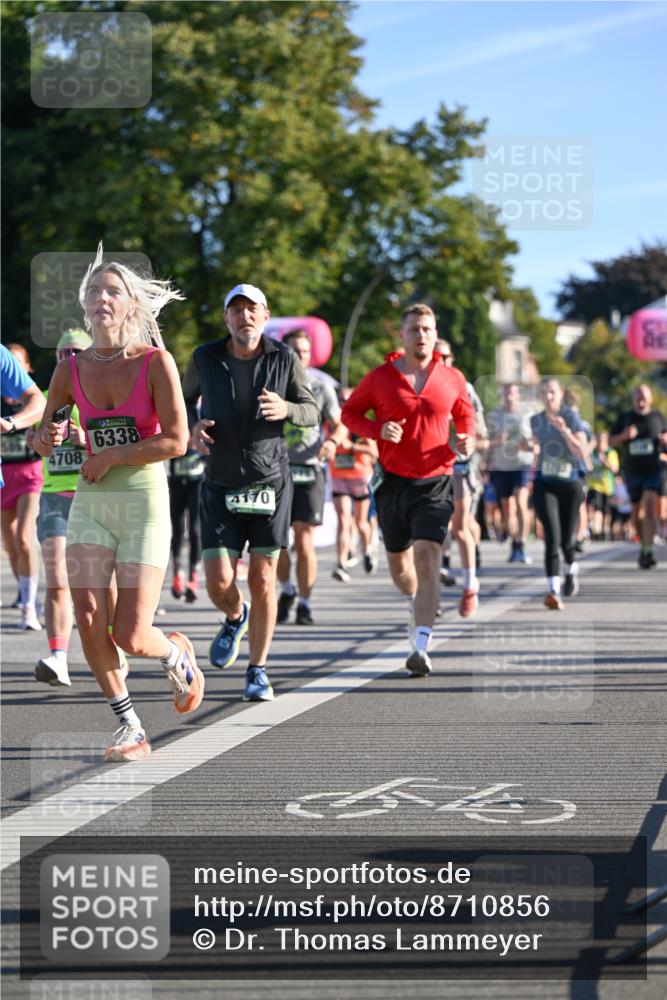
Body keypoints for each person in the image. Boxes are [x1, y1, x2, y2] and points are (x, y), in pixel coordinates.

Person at [34, 243, 204, 762]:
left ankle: (176, 653)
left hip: (142, 500)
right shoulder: (69, 369)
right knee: (88, 613)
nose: (102, 298)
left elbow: (177, 440)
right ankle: (129, 726)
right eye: (94, 291)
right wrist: (54, 432)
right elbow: (43, 443)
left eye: (113, 291)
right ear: (84, 306)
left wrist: (112, 457)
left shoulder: (156, 361)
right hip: (90, 501)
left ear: (131, 305)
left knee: (131, 633)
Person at [184, 283, 319, 701]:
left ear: (265, 315)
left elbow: (311, 409)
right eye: (236, 310)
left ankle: (258, 670)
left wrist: (288, 409)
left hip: (269, 483)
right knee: (217, 582)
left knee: (262, 579)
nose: (244, 316)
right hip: (220, 481)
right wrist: (191, 428)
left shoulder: (284, 357)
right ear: (226, 318)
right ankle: (235, 615)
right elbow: (181, 401)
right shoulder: (204, 358)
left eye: (252, 309)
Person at [341, 303, 475, 676]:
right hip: (393, 482)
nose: (421, 335)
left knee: (429, 556)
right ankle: (414, 600)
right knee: (402, 568)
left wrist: (467, 441)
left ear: (435, 334)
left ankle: (421, 643)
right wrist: (376, 430)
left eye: (428, 329)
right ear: (402, 335)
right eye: (414, 328)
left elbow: (465, 416)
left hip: (436, 479)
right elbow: (350, 414)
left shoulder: (452, 378)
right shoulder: (380, 377)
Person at [29, 328, 118, 687]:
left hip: (95, 497)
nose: (68, 358)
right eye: (62, 352)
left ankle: (114, 648)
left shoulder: (101, 396)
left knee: (103, 583)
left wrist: (89, 441)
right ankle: (59, 657)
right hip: (54, 499)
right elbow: (37, 446)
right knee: (57, 578)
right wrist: (43, 439)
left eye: (75, 352)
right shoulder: (48, 397)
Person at [276, 329, 344, 625]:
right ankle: (288, 589)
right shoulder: (273, 386)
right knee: (275, 542)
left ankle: (304, 602)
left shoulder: (321, 387)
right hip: (277, 471)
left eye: (305, 351)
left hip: (310, 470)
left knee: (304, 540)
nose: (300, 356)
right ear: (286, 353)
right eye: (295, 351)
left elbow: (340, 425)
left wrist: (332, 442)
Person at [436, 339, 487, 618]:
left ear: (452, 360)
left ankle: (469, 585)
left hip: (460, 465)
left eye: (445, 357)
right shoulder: (417, 382)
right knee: (430, 533)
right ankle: (430, 599)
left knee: (459, 526)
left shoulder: (464, 388)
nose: (440, 361)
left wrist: (467, 437)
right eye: (436, 356)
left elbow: (479, 428)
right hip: (428, 467)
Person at [530, 378, 590, 609]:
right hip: (545, 483)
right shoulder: (535, 420)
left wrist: (564, 430)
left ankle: (571, 569)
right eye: (544, 392)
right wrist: (528, 447)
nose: (548, 396)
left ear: (560, 393)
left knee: (567, 540)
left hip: (570, 484)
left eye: (552, 392)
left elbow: (582, 451)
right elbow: (536, 448)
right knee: (551, 537)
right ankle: (553, 590)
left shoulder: (571, 416)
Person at [1, 343, 46, 629]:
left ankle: (29, 606)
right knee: (10, 543)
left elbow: (40, 404)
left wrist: (13, 423)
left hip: (29, 473)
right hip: (7, 474)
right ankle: (28, 595)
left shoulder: (28, 396)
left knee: (25, 539)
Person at [609, 384, 667, 569]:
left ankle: (648, 550)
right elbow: (610, 440)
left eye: (644, 398)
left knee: (650, 507)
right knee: (636, 512)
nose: (641, 401)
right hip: (632, 471)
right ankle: (644, 547)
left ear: (650, 399)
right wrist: (624, 436)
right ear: (633, 399)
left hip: (653, 470)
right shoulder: (625, 418)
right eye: (638, 398)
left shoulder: (657, 417)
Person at [487, 383, 535, 564]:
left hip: (522, 463)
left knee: (521, 502)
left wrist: (529, 445)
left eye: (512, 393)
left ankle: (522, 542)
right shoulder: (495, 416)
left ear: (518, 395)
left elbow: (535, 440)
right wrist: (496, 442)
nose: (509, 396)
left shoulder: (527, 414)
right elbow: (486, 441)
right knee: (507, 507)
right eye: (506, 393)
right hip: (501, 465)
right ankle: (514, 542)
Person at [329, 409, 378, 583]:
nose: (342, 405)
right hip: (339, 477)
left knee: (360, 522)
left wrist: (353, 447)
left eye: (346, 401)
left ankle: (368, 550)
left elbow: (374, 453)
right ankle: (341, 564)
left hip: (360, 477)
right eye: (340, 401)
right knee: (343, 520)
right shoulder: (330, 424)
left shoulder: (362, 424)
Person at [169, 443, 205, 602]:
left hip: (198, 481)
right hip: (177, 479)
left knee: (195, 529)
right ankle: (177, 573)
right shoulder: (174, 416)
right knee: (178, 530)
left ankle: (193, 576)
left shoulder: (203, 417)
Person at [586, 431, 620, 541]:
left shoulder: (611, 453)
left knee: (606, 511)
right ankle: (596, 529)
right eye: (599, 440)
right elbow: (588, 467)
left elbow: (615, 469)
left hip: (607, 487)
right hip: (594, 486)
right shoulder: (593, 453)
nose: (600, 443)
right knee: (595, 508)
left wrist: (604, 461)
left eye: (603, 440)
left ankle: (603, 530)